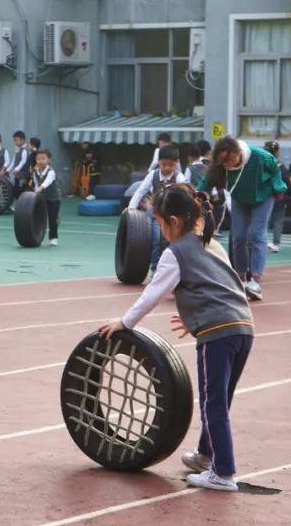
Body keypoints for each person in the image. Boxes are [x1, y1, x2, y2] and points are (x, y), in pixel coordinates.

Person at [98, 184, 254, 492]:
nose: (158, 229)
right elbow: (223, 283)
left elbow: (152, 295)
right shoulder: (210, 243)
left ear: (173, 221)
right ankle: (206, 455)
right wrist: (193, 316)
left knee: (213, 402)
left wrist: (124, 322)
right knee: (220, 399)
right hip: (243, 327)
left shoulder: (175, 253)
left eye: (157, 223)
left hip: (218, 332)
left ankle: (223, 473)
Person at [199, 136, 288, 301]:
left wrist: (279, 188)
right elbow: (206, 182)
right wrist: (199, 195)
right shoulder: (220, 163)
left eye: (231, 159)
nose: (228, 164)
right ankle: (241, 279)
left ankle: (255, 282)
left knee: (256, 234)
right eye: (223, 162)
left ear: (238, 152)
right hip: (240, 198)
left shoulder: (260, 156)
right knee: (238, 237)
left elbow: (275, 170)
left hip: (263, 196)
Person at [129, 145, 187, 275]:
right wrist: (131, 208)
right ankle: (155, 269)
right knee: (156, 239)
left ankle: (175, 270)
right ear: (158, 162)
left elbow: (188, 193)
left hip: (172, 216)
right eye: (164, 164)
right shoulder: (153, 175)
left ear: (176, 164)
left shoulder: (179, 177)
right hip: (155, 214)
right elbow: (140, 191)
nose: (167, 168)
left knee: (175, 241)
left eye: (171, 165)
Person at [263, 141, 291, 253]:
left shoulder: (260, 166)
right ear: (277, 152)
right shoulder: (282, 168)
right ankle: (276, 244)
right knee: (278, 221)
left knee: (263, 220)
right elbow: (290, 182)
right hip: (279, 198)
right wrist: (290, 195)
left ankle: (262, 242)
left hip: (263, 197)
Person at [32, 149, 61, 246]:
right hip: (42, 198)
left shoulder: (51, 172)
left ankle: (53, 237)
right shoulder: (35, 172)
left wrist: (40, 188)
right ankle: (37, 236)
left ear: (48, 160)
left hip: (54, 199)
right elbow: (36, 183)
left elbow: (47, 182)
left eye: (43, 159)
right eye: (38, 159)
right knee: (39, 217)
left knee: (52, 218)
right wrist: (36, 189)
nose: (40, 161)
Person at [8, 130, 30, 197]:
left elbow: (23, 161)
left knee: (22, 191)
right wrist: (8, 169)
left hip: (23, 176)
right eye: (14, 140)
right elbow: (13, 160)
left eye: (16, 140)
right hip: (17, 175)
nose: (15, 142)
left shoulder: (25, 150)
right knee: (16, 190)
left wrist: (17, 169)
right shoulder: (18, 149)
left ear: (22, 140)